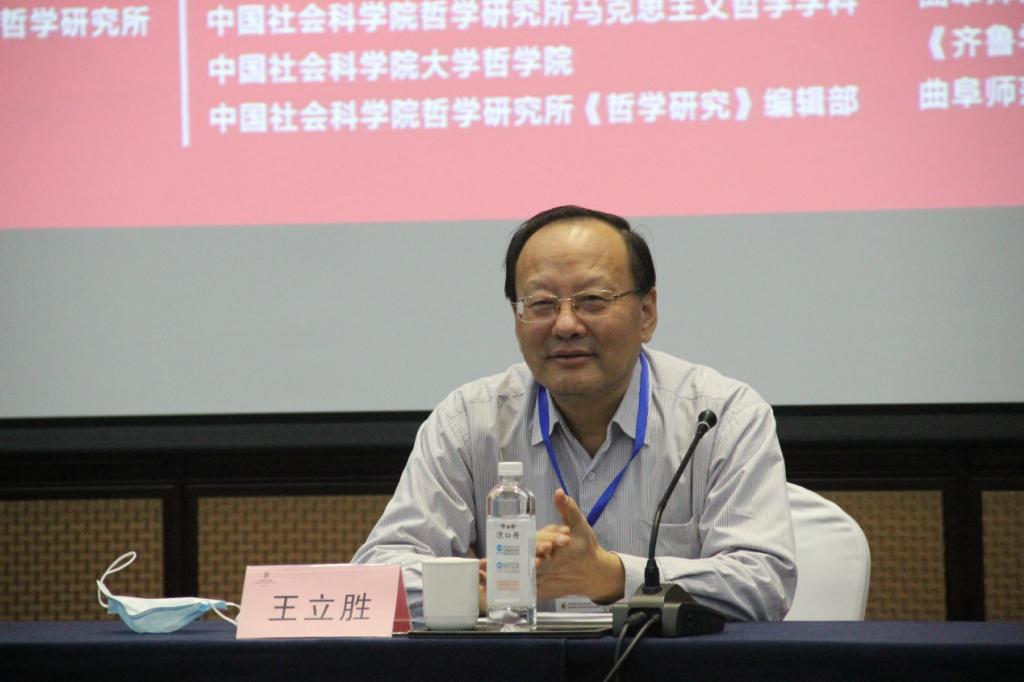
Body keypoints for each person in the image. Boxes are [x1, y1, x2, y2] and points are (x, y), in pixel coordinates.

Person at [352, 205, 796, 621]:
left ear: (646, 313)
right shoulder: (469, 421)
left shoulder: (721, 417)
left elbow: (764, 582)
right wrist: (483, 588)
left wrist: (613, 576)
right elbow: (376, 575)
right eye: (541, 304)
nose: (565, 325)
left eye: (593, 300)